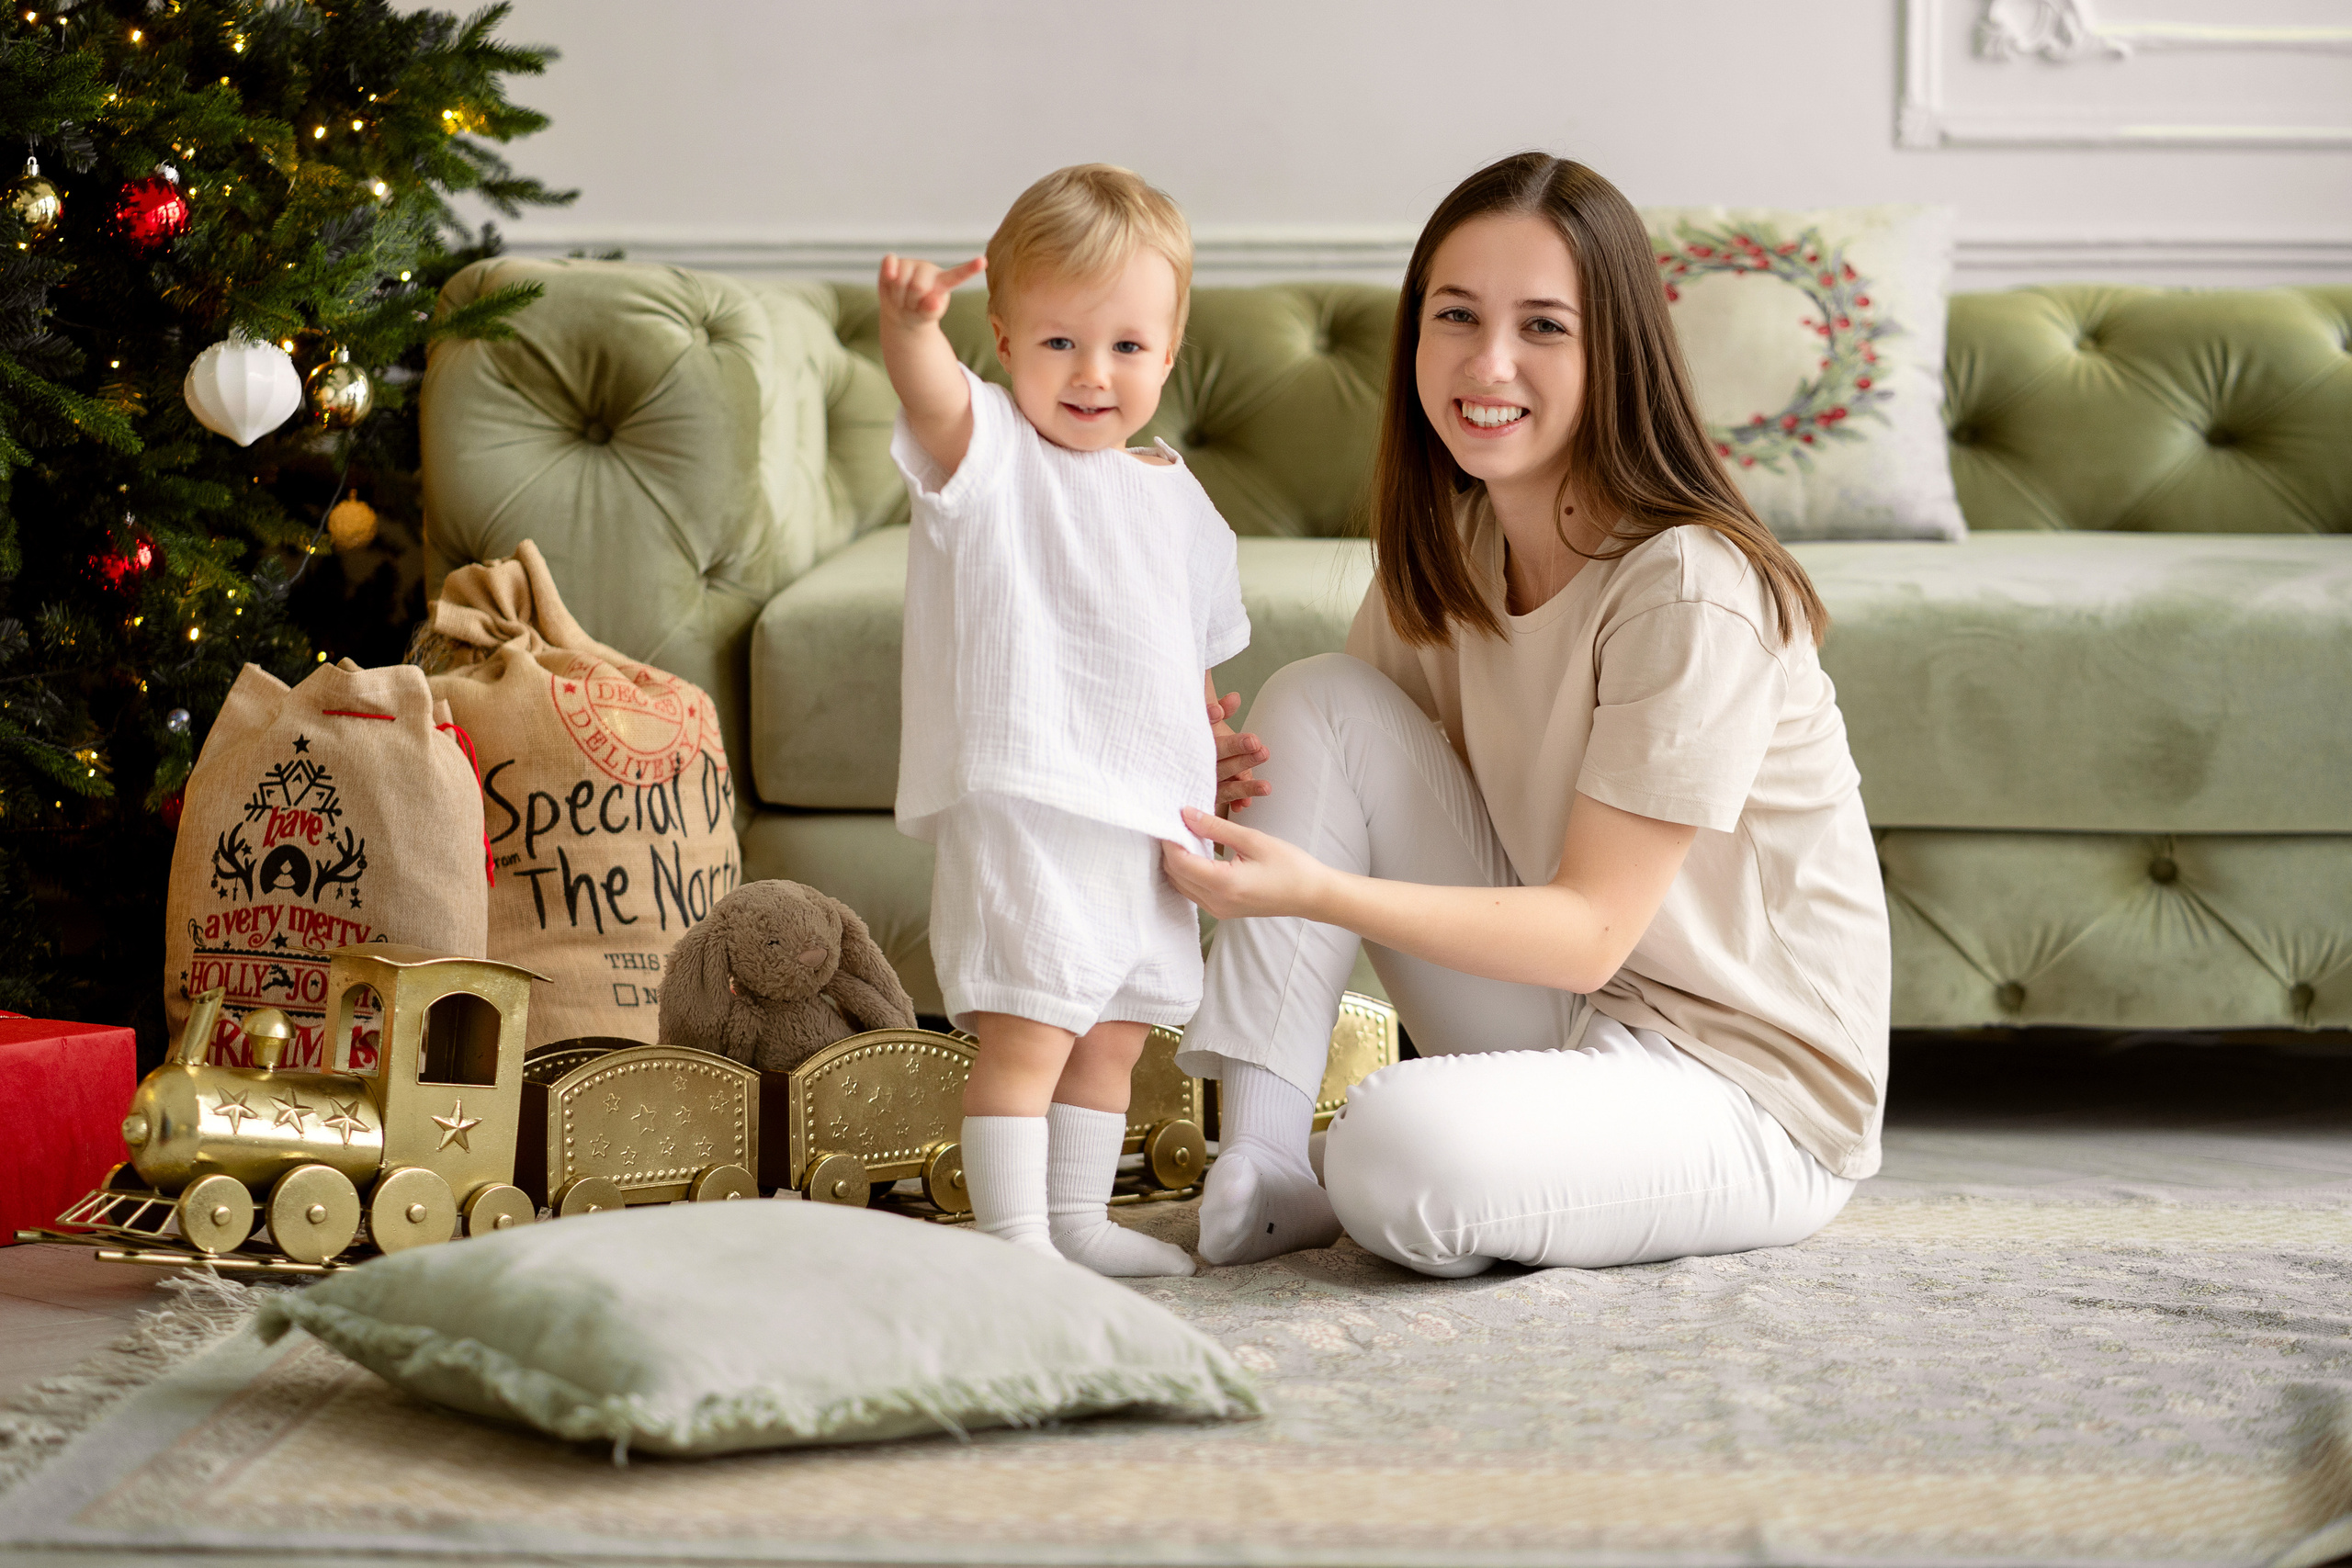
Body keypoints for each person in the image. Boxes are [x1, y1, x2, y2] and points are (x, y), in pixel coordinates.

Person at [1162, 152, 1890, 1278]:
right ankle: (1262, 1165)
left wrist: (1312, 890)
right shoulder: (1449, 553)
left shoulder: (1687, 585)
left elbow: (1593, 930)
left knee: (1396, 1142)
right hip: (1560, 1016)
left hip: (1742, 1088)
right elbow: (1334, 788)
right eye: (1455, 315)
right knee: (1311, 697)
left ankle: (1365, 1165)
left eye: (1542, 327)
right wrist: (1218, 783)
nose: (1486, 362)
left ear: (1615, 354)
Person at [879, 164, 1251, 1278]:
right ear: (1001, 342)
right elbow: (931, 398)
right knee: (1030, 1026)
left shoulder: (1179, 498)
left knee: (1119, 1030)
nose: (1093, 374)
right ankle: (1014, 1242)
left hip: (1144, 812)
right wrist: (910, 329)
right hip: (1029, 800)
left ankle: (1080, 1221)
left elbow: (1183, 652)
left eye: (1127, 346)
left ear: (1170, 353)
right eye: (1059, 343)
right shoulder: (991, 452)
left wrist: (1209, 744)